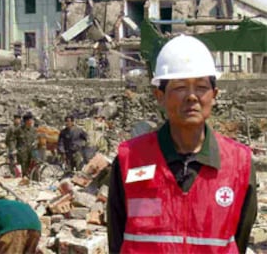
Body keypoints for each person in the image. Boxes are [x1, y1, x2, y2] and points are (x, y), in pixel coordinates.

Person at [107, 35, 257, 253]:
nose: (192, 97)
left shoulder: (239, 164)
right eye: (179, 87)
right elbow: (117, 238)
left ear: (214, 95)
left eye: (201, 86)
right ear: (160, 96)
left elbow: (239, 239)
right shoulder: (130, 159)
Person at [10, 113, 38, 177]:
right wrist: (13, 149)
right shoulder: (19, 130)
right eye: (31, 120)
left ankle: (35, 181)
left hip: (33, 151)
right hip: (22, 152)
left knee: (36, 165)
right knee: (24, 167)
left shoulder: (34, 130)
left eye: (32, 120)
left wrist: (36, 142)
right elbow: (12, 140)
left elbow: (37, 139)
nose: (32, 121)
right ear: (26, 121)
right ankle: (25, 180)